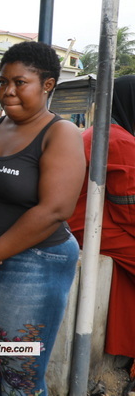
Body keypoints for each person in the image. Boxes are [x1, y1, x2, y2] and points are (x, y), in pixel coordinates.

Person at [0, 41, 85, 395]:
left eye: (19, 82)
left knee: (18, 370)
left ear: (48, 85)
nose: (7, 91)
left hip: (35, 261)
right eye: (2, 82)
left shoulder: (61, 133)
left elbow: (55, 209)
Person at [68, 75, 135, 373]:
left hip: (82, 219)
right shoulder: (122, 142)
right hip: (89, 225)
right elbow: (129, 212)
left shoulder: (101, 131)